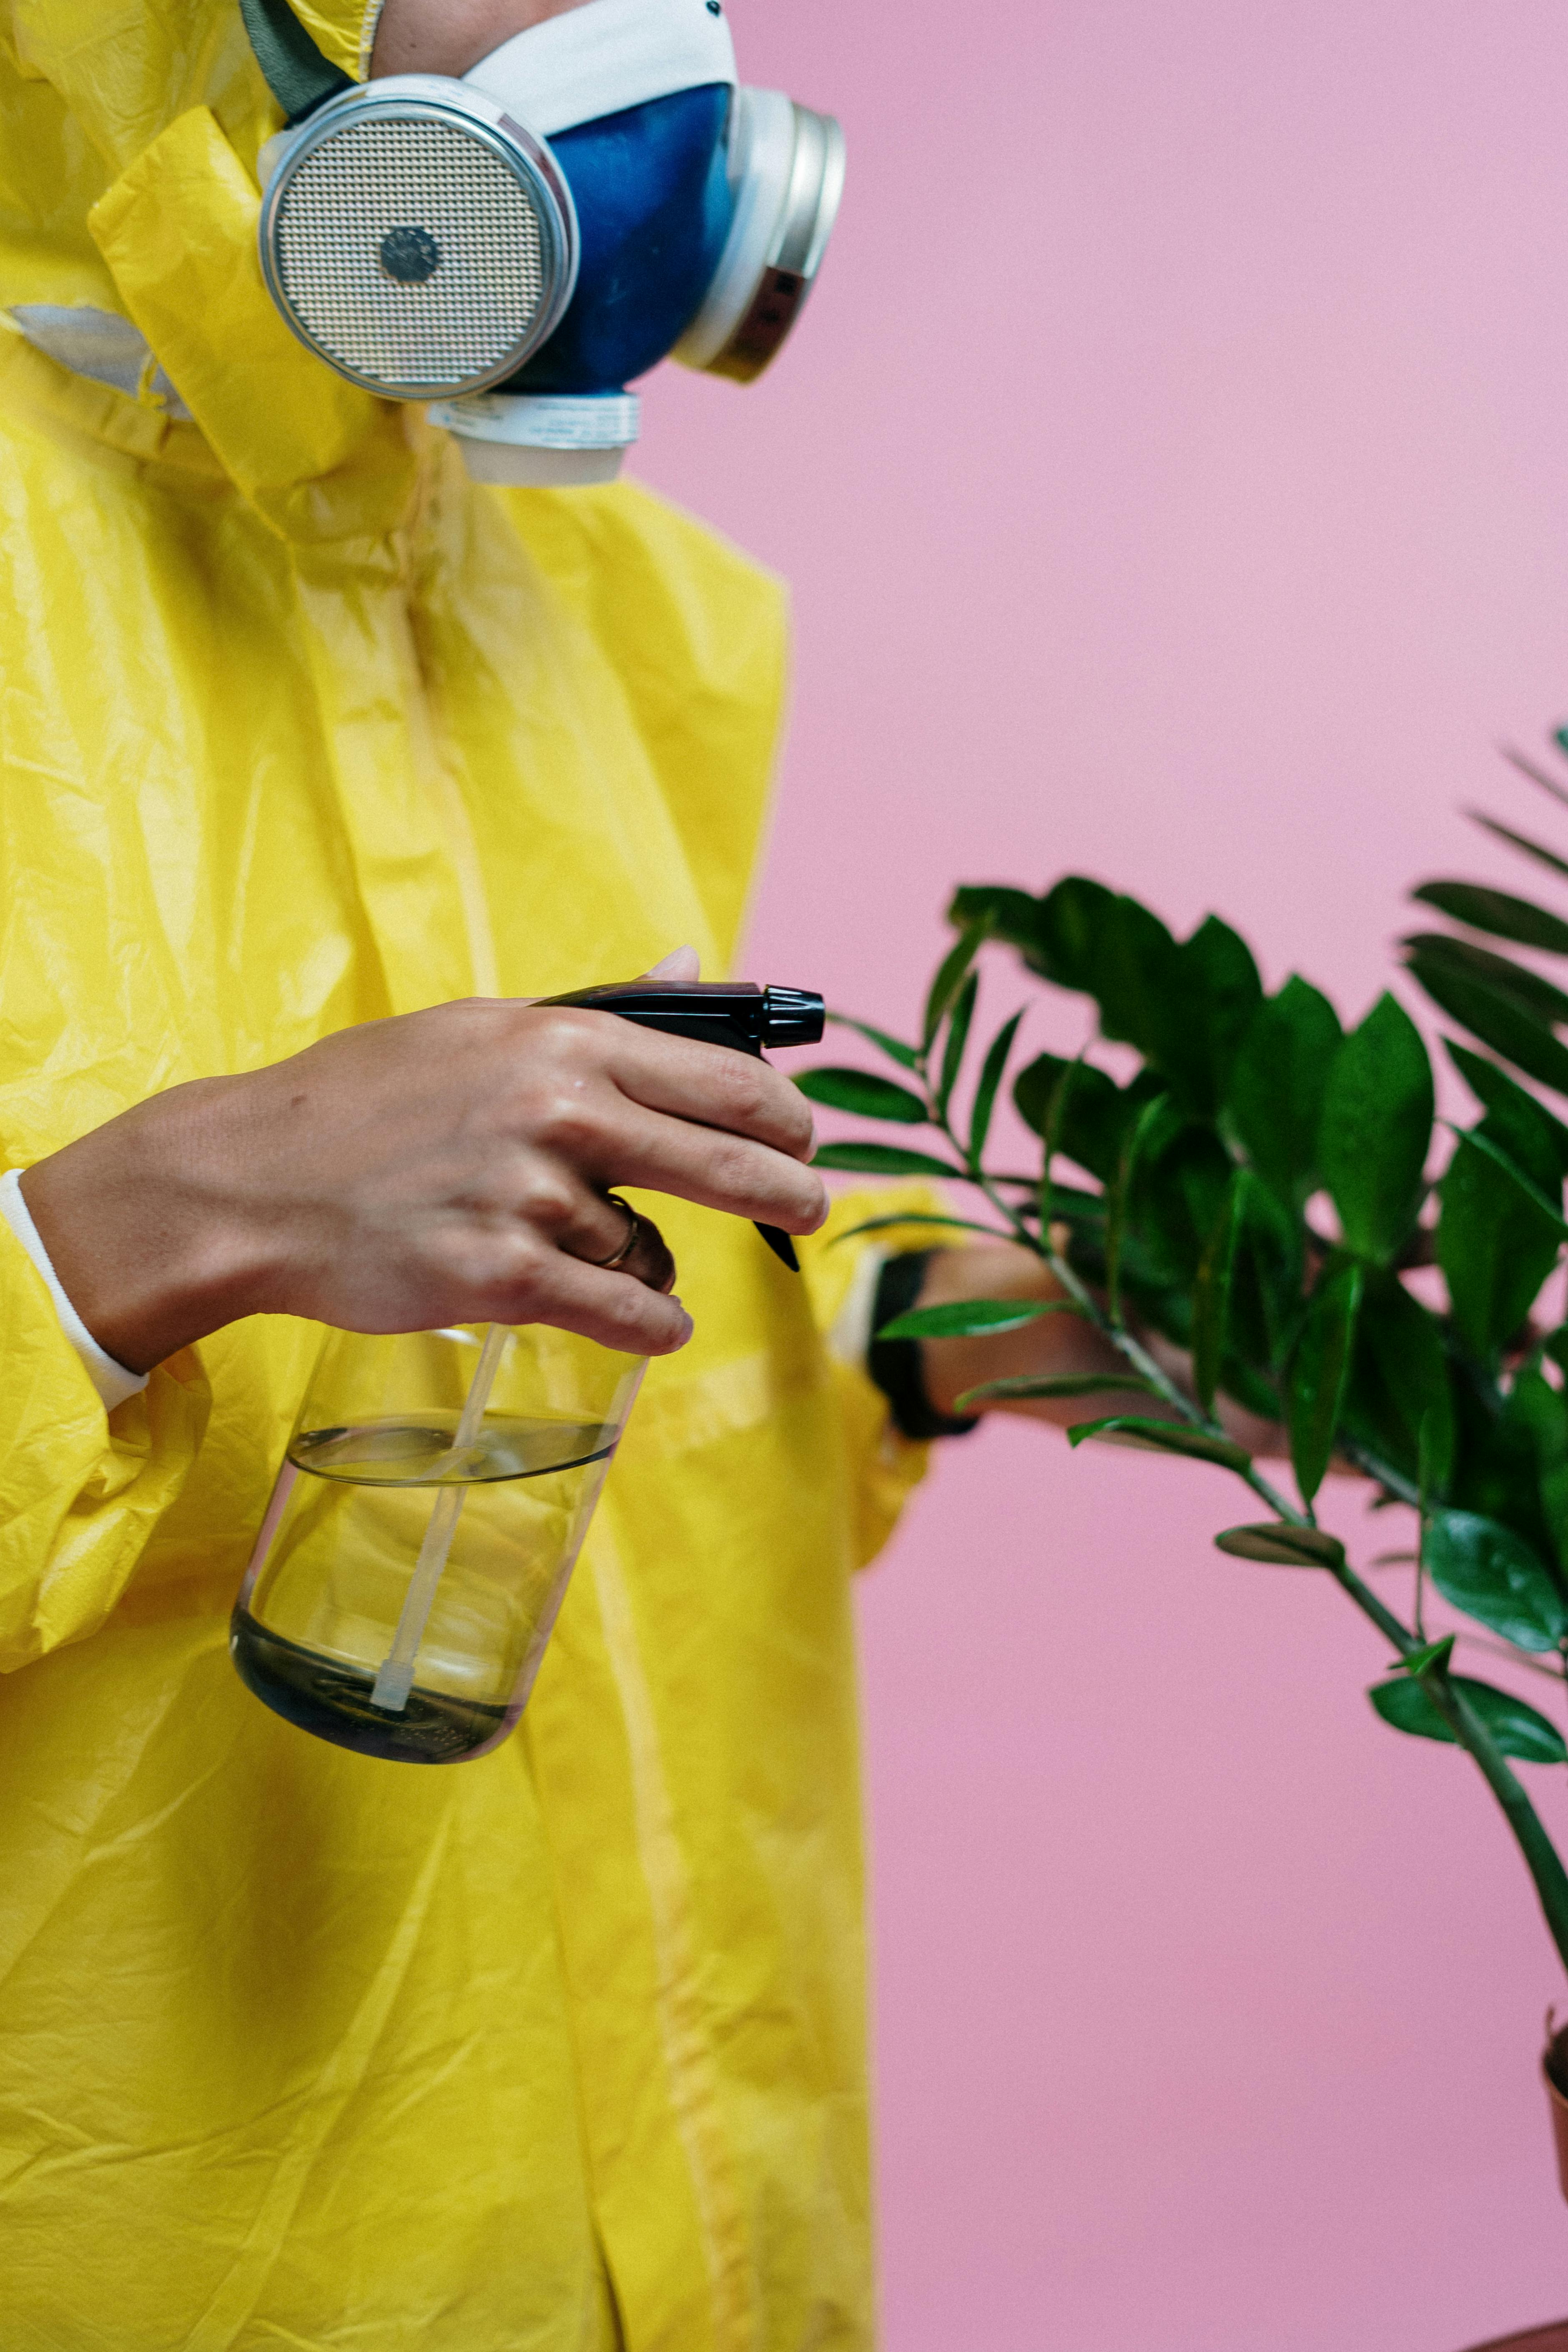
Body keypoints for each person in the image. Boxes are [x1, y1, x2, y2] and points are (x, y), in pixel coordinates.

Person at [0, 2, 1268, 2342]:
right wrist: (147, 1233)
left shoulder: (617, 611)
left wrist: (973, 1312)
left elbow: (621, 1251)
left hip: (680, 2213)